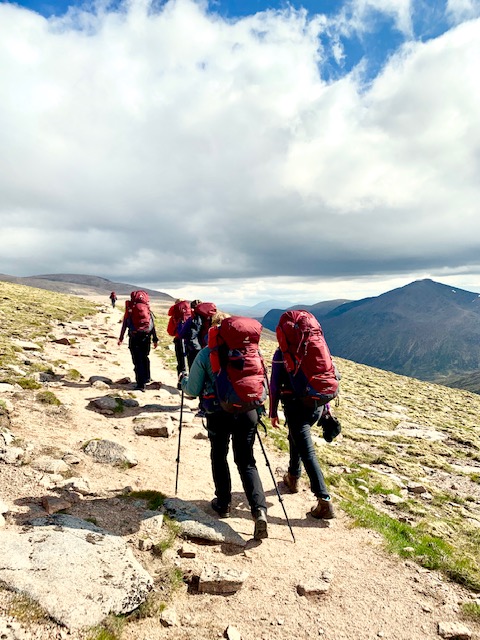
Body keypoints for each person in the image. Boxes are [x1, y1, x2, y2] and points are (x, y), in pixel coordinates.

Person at [180, 312, 268, 541]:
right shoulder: (251, 351)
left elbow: (192, 390)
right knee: (247, 461)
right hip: (247, 411)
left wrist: (183, 381)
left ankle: (224, 504)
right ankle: (259, 511)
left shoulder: (207, 353)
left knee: (219, 455)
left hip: (218, 413)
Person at [269, 347, 335, 520]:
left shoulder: (282, 353)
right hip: (317, 406)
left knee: (307, 451)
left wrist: (273, 412)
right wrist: (326, 409)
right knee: (295, 437)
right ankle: (293, 476)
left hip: (295, 406)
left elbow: (274, 384)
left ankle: (324, 500)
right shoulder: (316, 349)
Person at [118, 292, 158, 392]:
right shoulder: (147, 308)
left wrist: (121, 338)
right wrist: (155, 339)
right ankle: (147, 377)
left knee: (137, 360)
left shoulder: (131, 308)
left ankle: (140, 384)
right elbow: (152, 324)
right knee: (145, 357)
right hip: (146, 336)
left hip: (134, 336)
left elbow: (125, 324)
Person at [167, 299, 191, 389]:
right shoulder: (191, 314)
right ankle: (192, 386)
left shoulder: (175, 316)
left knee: (181, 363)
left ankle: (181, 384)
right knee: (191, 363)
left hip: (179, 340)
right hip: (191, 341)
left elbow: (170, 331)